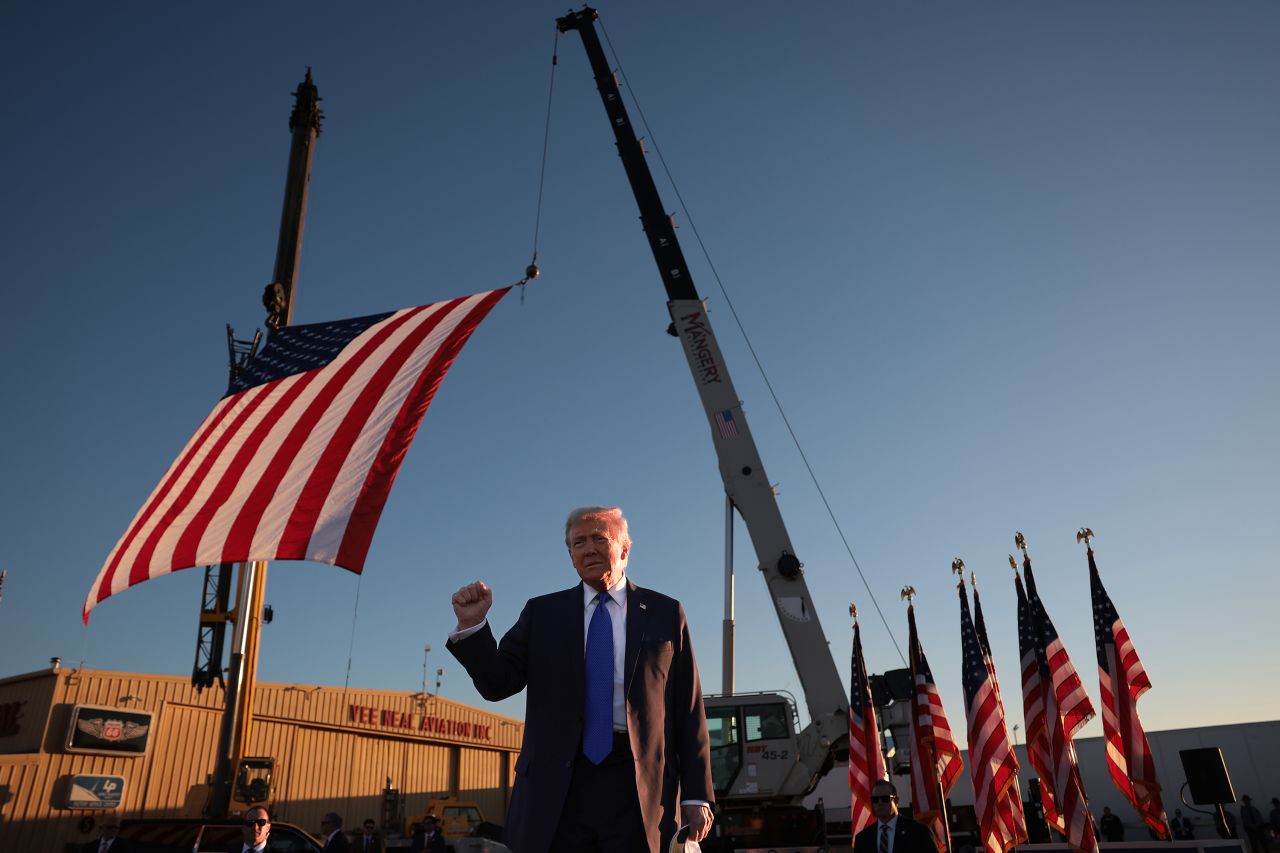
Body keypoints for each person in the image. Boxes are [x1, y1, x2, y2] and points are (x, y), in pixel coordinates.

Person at [448, 506, 715, 853]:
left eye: (598, 538)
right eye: (578, 543)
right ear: (570, 555)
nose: (587, 549)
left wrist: (696, 793)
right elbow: (497, 685)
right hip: (559, 784)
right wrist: (473, 628)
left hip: (638, 786)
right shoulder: (542, 613)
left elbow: (688, 708)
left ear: (625, 548)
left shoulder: (665, 613)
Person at [852, 779, 939, 853]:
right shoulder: (863, 839)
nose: (880, 803)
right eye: (875, 800)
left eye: (885, 799)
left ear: (896, 801)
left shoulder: (918, 832)